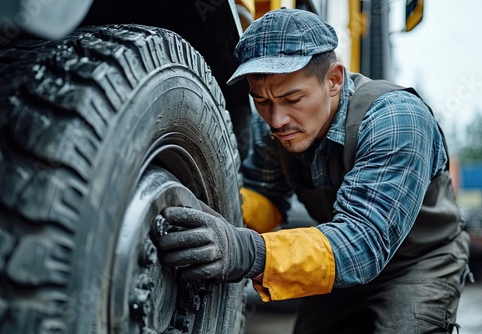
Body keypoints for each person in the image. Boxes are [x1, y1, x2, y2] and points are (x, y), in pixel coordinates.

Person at [155, 8, 472, 333]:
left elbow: (363, 240)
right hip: (338, 256)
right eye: (262, 102)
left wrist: (247, 251)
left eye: (292, 98)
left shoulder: (396, 119)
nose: (276, 120)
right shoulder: (278, 130)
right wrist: (212, 219)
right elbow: (265, 195)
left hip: (416, 264)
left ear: (333, 80)